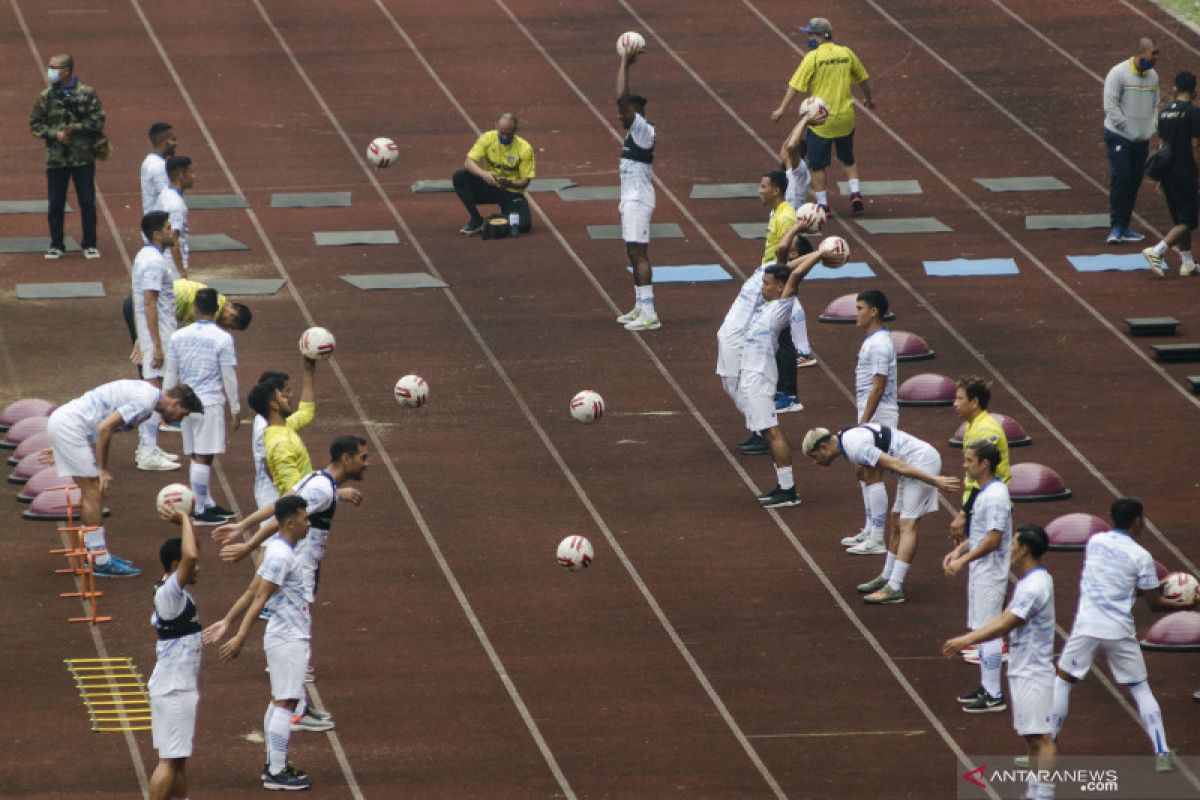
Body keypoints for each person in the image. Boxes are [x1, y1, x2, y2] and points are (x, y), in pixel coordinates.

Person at [213, 437, 369, 731]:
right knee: (295, 631)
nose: (367, 462)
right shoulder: (322, 489)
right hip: (299, 566)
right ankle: (294, 709)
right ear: (346, 459)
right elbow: (282, 517)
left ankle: (295, 703)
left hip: (295, 561)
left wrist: (243, 525)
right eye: (363, 457)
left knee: (284, 621)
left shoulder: (319, 481)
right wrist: (248, 545)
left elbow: (279, 504)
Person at [1051, 497, 1197, 774]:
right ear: (1139, 521)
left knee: (1064, 681)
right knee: (1140, 687)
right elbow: (1154, 604)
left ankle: (1048, 743)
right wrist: (1185, 604)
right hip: (1118, 629)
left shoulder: (1095, 543)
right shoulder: (1141, 556)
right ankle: (1162, 751)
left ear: (1111, 517)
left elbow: (1116, 582)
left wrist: (1148, 587)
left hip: (1086, 626)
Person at [205, 495, 314, 790]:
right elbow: (260, 598)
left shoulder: (276, 549)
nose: (308, 522)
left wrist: (226, 621)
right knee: (286, 702)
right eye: (304, 518)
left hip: (285, 635)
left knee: (280, 699)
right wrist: (239, 636)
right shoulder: (280, 555)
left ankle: (273, 764)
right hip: (288, 636)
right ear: (290, 522)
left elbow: (251, 590)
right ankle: (276, 772)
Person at [943, 525, 1057, 800]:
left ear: (1025, 549)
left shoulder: (1034, 587)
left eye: (1014, 543)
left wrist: (965, 640)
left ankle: (1045, 795)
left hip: (1033, 670)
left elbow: (1004, 625)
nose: (1010, 548)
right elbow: (1003, 617)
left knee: (1042, 738)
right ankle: (1033, 792)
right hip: (1022, 667)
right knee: (1032, 738)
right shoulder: (1030, 581)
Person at [44, 380, 202, 577]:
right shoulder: (145, 401)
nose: (180, 419)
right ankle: (98, 559)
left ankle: (94, 553)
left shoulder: (148, 400)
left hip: (70, 427)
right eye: (183, 414)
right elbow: (104, 428)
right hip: (70, 427)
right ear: (176, 403)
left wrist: (62, 446)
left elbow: (99, 419)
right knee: (93, 491)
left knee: (91, 492)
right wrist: (103, 469)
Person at [802, 424, 959, 604]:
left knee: (908, 524)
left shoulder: (855, 447)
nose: (816, 462)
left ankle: (895, 587)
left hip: (920, 463)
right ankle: (887, 577)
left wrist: (935, 480)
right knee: (896, 522)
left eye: (815, 457)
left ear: (823, 447)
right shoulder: (845, 438)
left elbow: (896, 464)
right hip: (911, 464)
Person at [717, 222, 810, 455]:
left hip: (737, 339)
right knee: (730, 385)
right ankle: (758, 428)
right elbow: (783, 251)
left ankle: (762, 430)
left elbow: (792, 265)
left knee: (736, 386)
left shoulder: (778, 279)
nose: (786, 247)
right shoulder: (770, 268)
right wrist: (798, 229)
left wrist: (817, 253)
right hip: (729, 334)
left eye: (793, 248)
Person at [740, 251, 822, 508]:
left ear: (780, 288)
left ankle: (788, 490)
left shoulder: (780, 309)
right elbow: (787, 265)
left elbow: (795, 274)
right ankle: (783, 486)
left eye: (767, 283)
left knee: (771, 432)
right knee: (767, 432)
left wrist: (820, 253)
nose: (762, 287)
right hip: (752, 377)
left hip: (760, 379)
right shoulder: (767, 307)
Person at [771, 18, 875, 216]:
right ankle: (855, 193)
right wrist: (869, 100)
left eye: (810, 34)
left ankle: (823, 205)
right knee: (847, 158)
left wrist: (781, 109)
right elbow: (863, 79)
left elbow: (795, 85)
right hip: (845, 118)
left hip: (821, 122)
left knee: (817, 165)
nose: (808, 38)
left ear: (820, 36)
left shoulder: (813, 57)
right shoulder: (846, 53)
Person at [941, 441, 1012, 713]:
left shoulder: (995, 496)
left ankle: (994, 694)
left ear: (984, 464)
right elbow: (981, 535)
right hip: (981, 569)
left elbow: (994, 539)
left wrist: (962, 560)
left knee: (989, 629)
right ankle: (987, 686)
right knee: (981, 629)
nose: (964, 465)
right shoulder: (985, 493)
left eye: (969, 460)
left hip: (991, 571)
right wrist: (958, 550)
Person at [164, 288, 240, 526]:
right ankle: (197, 510)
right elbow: (229, 376)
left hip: (184, 402)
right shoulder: (223, 338)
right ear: (216, 309)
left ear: (195, 307)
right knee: (203, 457)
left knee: (198, 455)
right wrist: (235, 407)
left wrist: (165, 404)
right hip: (209, 402)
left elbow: (170, 372)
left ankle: (205, 503)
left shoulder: (177, 336)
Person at [148, 505, 202, 800]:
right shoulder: (169, 592)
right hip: (174, 690)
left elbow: (192, 554)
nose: (197, 567)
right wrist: (183, 519)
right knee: (169, 760)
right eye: (189, 565)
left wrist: (188, 523)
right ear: (174, 565)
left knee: (178, 759)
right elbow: (190, 555)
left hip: (177, 688)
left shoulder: (173, 592)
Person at [29, 53, 105, 260]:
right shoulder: (46, 96)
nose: (50, 70)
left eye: (54, 67)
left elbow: (98, 121)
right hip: (56, 159)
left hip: (83, 157)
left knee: (87, 202)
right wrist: (55, 134)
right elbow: (35, 124)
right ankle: (56, 244)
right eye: (50, 66)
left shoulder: (87, 93)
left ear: (66, 70)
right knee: (56, 203)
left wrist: (75, 128)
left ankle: (89, 244)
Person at [841, 290, 898, 556]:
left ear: (874, 312)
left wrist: (864, 422)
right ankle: (869, 528)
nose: (857, 313)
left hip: (878, 416)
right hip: (871, 414)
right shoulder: (872, 340)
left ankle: (877, 538)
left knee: (872, 473)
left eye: (860, 308)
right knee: (862, 471)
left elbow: (878, 386)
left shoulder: (880, 345)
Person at [132, 211, 183, 472]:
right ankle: (148, 450)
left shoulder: (146, 256)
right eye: (167, 227)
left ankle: (148, 446)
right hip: (159, 335)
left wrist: (141, 338)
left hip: (154, 334)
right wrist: (156, 344)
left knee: (154, 392)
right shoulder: (153, 261)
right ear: (156, 234)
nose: (172, 231)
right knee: (155, 394)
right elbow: (149, 302)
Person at [613, 49, 661, 332]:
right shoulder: (635, 132)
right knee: (632, 252)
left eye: (625, 113)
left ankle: (650, 312)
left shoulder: (642, 129)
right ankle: (640, 306)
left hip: (638, 200)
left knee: (639, 253)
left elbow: (621, 98)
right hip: (630, 200)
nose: (620, 117)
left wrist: (623, 63)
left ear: (636, 113)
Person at [1143, 71, 1200, 277]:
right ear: (1194, 91)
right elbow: (1195, 146)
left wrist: (1158, 176)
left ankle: (1187, 263)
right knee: (1189, 221)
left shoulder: (1164, 112)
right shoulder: (1194, 113)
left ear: (1175, 88)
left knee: (1180, 219)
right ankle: (1156, 251)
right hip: (1185, 173)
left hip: (1167, 173)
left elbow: (1162, 146)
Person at [1103, 38, 1159, 245]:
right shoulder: (1118, 74)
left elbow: (1155, 104)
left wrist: (1150, 127)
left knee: (1134, 180)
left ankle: (1124, 226)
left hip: (1140, 139)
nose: (1155, 59)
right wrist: (1128, 127)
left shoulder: (1152, 77)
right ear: (1141, 52)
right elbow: (1110, 105)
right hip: (1119, 135)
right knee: (1121, 176)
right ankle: (1116, 226)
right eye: (1153, 54)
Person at [757, 170, 804, 414]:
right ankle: (783, 391)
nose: (759, 190)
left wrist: (781, 285)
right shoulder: (777, 212)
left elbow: (792, 252)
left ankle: (789, 395)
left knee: (783, 340)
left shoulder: (785, 217)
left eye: (763, 186)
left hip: (779, 283)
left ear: (776, 190)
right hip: (772, 279)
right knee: (777, 338)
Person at [779, 108, 820, 372]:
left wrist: (804, 119)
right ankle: (799, 348)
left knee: (788, 293)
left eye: (785, 148)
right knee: (786, 292)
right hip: (789, 237)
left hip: (794, 240)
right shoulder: (791, 175)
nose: (782, 150)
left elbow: (793, 144)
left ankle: (803, 351)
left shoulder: (797, 171)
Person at [949, 376, 1010, 543]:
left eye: (960, 399)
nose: (955, 403)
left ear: (974, 402)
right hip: (979, 502)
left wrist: (963, 513)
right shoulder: (973, 426)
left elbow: (983, 474)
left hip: (989, 504)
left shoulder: (985, 430)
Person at [452, 113, 534, 236]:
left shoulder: (525, 148)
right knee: (459, 176)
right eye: (502, 133)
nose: (505, 137)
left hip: (511, 192)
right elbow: (468, 162)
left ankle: (501, 216)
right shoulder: (487, 138)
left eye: (508, 133)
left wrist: (508, 182)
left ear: (515, 131)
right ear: (496, 127)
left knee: (524, 225)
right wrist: (484, 174)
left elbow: (525, 181)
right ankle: (476, 219)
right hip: (490, 186)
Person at [251, 359, 315, 511]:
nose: (290, 396)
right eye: (285, 392)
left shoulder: (279, 423)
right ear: (272, 402)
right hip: (274, 495)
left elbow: (306, 412)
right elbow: (268, 466)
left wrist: (308, 372)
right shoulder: (266, 428)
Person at [155, 156, 193, 278]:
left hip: (163, 261)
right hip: (172, 268)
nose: (193, 177)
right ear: (181, 175)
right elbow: (173, 240)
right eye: (191, 172)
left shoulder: (165, 193)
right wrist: (181, 272)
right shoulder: (176, 205)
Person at [141, 122, 176, 217]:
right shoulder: (159, 166)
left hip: (153, 223)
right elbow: (166, 199)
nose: (176, 144)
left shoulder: (149, 160)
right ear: (162, 140)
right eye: (173, 139)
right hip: (160, 226)